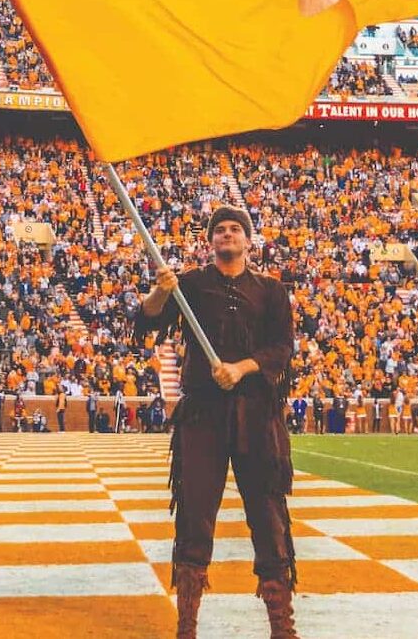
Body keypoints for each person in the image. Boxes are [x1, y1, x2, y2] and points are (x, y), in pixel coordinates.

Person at [135, 205, 297, 639]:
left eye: (234, 229)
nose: (227, 234)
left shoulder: (271, 291)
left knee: (268, 513)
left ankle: (281, 627)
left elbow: (282, 350)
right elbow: (145, 322)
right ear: (211, 242)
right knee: (194, 515)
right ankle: (186, 626)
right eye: (220, 230)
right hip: (203, 415)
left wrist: (241, 368)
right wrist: (160, 291)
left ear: (248, 240)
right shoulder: (188, 285)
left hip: (257, 416)